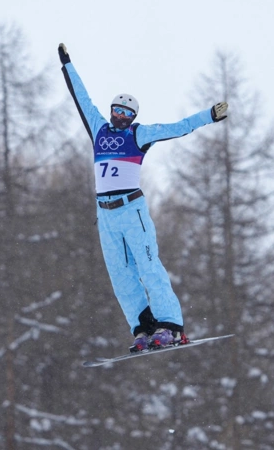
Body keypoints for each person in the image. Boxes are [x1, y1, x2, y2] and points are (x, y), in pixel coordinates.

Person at [58, 43, 229, 352]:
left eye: (127, 112)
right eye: (117, 110)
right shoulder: (98, 129)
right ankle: (143, 327)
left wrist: (209, 116)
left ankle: (170, 326)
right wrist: (67, 64)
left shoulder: (138, 134)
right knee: (120, 275)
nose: (120, 116)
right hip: (106, 215)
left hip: (131, 208)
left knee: (148, 268)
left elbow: (177, 128)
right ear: (111, 111)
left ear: (134, 116)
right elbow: (81, 99)